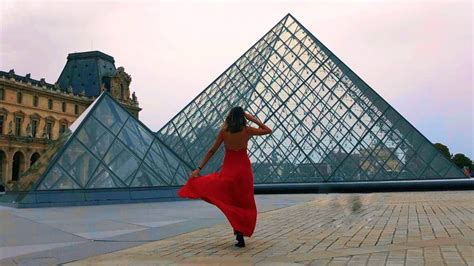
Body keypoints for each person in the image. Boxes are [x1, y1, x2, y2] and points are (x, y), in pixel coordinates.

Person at [178, 107, 272, 248]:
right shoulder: (247, 130)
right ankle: (241, 234)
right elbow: (267, 130)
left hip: (229, 170)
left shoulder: (224, 132)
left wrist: (198, 169)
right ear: (242, 117)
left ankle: (238, 234)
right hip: (244, 171)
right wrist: (251, 118)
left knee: (231, 201)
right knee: (244, 202)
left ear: (230, 117)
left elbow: (212, 150)